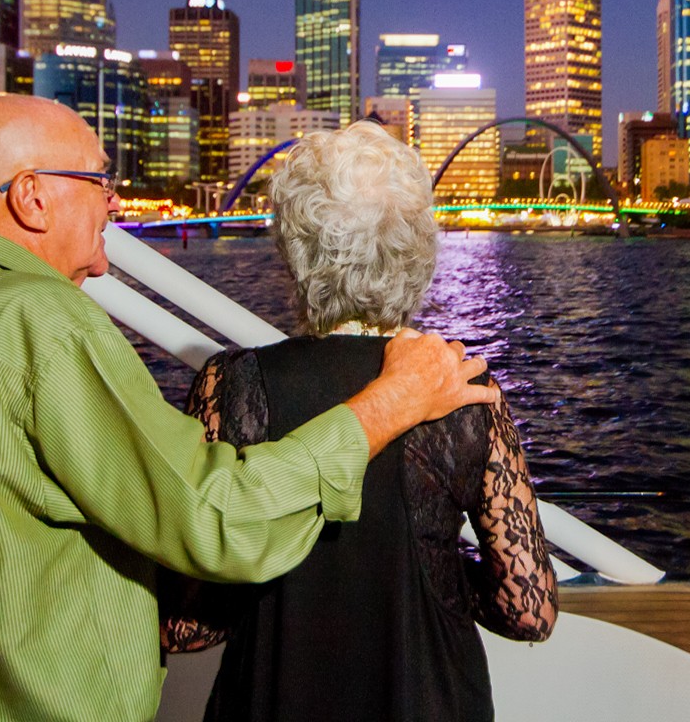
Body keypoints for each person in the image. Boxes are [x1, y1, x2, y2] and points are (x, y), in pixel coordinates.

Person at [0, 95, 495, 721]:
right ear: (32, 196)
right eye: (98, 180)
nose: (116, 203)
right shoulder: (45, 326)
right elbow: (217, 517)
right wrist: (386, 404)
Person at [162, 120, 557, 721]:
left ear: (294, 250)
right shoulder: (462, 387)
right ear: (417, 248)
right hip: (428, 699)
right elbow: (529, 611)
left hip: (271, 698)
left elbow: (186, 627)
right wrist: (444, 566)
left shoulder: (231, 384)